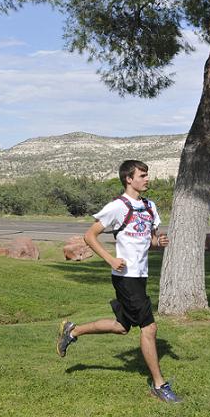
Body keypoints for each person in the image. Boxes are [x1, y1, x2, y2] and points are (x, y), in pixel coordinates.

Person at [56, 159, 182, 404]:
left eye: (147, 175)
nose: (147, 179)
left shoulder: (149, 207)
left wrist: (159, 243)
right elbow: (89, 235)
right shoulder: (117, 207)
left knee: (121, 327)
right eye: (142, 175)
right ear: (129, 179)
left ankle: (73, 331)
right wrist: (111, 260)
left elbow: (151, 242)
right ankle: (159, 385)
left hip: (140, 275)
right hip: (125, 278)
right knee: (149, 328)